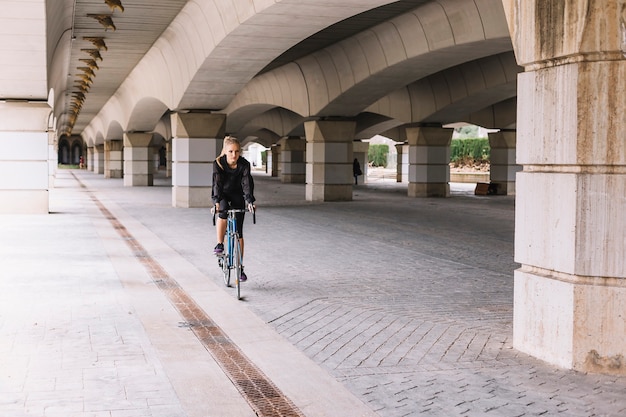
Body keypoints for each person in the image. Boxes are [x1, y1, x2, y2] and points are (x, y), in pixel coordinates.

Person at [212, 136, 256, 281]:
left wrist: (249, 201)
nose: (234, 155)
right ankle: (219, 243)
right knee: (223, 212)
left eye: (237, 152)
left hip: (237, 195)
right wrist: (216, 202)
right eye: (230, 151)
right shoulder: (219, 163)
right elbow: (217, 183)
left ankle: (240, 267)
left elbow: (246, 183)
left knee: (239, 231)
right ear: (225, 151)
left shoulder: (244, 164)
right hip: (223, 194)